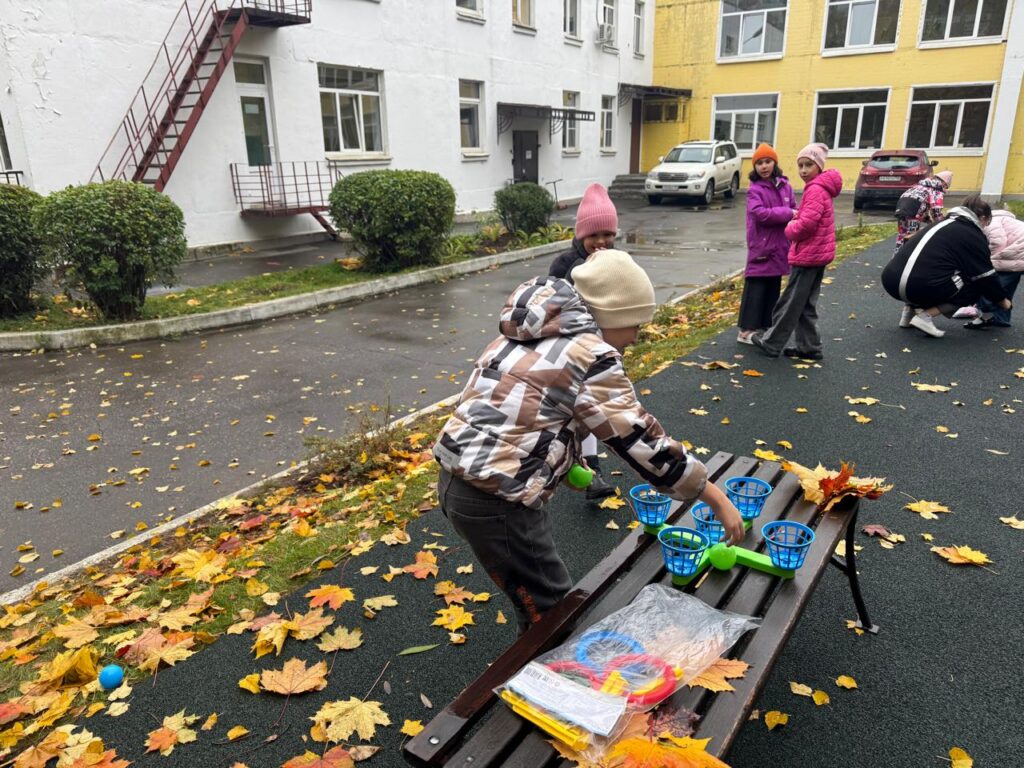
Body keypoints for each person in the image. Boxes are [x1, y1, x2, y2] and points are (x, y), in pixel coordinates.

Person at [434, 250, 745, 634]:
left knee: (535, 596)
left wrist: (564, 463)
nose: (636, 335)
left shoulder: (527, 336)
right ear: (611, 315)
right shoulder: (592, 355)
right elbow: (641, 440)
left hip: (457, 481)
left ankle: (534, 648)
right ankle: (542, 666)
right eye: (634, 323)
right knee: (553, 612)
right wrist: (713, 496)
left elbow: (522, 411)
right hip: (496, 500)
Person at [548, 182, 619, 499]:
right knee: (571, 409)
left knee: (592, 406)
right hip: (568, 347)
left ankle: (591, 471)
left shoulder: (616, 261)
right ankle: (566, 465)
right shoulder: (564, 264)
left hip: (600, 345)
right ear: (580, 235)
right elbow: (551, 304)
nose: (601, 242)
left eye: (608, 234)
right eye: (594, 235)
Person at [750, 143, 842, 360]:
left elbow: (806, 224)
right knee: (805, 303)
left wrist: (790, 228)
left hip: (808, 255)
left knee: (791, 302)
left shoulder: (815, 189)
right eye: (800, 165)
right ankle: (809, 346)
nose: (803, 170)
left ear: (819, 166)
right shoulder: (821, 188)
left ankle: (772, 342)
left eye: (808, 165)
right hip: (817, 254)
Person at [881, 195, 1010, 338]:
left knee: (928, 271)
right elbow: (985, 276)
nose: (986, 226)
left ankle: (908, 314)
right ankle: (925, 317)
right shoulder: (972, 235)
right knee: (974, 285)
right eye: (987, 222)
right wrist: (1002, 300)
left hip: (890, 281)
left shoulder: (940, 224)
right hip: (919, 286)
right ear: (983, 218)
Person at [737, 143, 796, 346]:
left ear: (774, 163)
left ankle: (764, 327)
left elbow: (794, 208)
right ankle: (746, 330)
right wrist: (788, 213)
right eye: (759, 163)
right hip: (762, 246)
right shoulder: (755, 190)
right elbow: (760, 214)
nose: (764, 166)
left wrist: (793, 215)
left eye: (768, 161)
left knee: (772, 287)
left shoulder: (785, 186)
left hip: (780, 245)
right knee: (756, 287)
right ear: (755, 167)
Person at [964, 205, 1024, 329]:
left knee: (992, 284)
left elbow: (998, 243)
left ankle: (986, 315)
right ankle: (1000, 318)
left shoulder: (991, 222)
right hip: (1018, 252)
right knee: (1007, 286)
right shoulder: (1002, 219)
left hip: (1018, 252)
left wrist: (986, 261)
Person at [894, 171, 953, 253]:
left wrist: (928, 220)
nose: (945, 189)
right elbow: (936, 211)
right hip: (914, 212)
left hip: (901, 209)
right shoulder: (936, 190)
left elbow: (922, 204)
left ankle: (897, 255)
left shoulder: (919, 186)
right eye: (946, 187)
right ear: (943, 183)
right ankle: (908, 256)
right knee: (912, 237)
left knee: (902, 235)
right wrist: (942, 224)